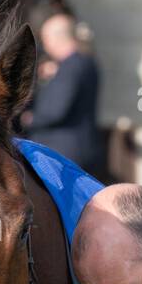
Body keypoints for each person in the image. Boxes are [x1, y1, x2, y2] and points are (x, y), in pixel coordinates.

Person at [20, 12, 103, 177]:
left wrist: (30, 118)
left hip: (63, 151)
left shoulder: (69, 68)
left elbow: (55, 111)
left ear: (57, 38)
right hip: (82, 146)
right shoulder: (86, 61)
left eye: (46, 39)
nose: (45, 45)